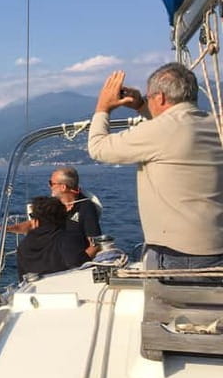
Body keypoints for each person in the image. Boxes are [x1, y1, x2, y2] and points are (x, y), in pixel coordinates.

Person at [87, 63, 223, 271]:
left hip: (178, 254)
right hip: (215, 246)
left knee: (169, 304)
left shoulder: (160, 131)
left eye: (149, 97)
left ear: (159, 98)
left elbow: (98, 148)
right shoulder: (214, 124)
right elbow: (174, 128)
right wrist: (142, 104)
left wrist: (102, 108)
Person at [7, 166, 102, 258]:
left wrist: (79, 262)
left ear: (63, 187)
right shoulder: (53, 205)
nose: (49, 186)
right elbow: (33, 224)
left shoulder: (86, 208)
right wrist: (7, 229)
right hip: (53, 259)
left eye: (51, 183)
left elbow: (95, 244)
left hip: (74, 261)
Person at [16, 196, 90, 279]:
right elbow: (83, 268)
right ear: (62, 217)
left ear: (36, 220)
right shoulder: (67, 239)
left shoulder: (23, 246)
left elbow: (22, 279)